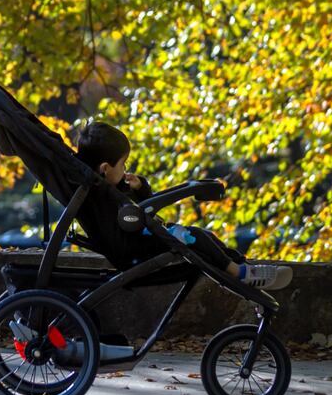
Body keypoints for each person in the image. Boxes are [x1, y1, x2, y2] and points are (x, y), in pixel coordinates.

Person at [75, 122, 292, 291]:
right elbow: (137, 214)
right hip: (132, 248)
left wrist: (140, 188)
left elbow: (141, 207)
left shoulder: (103, 188)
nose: (125, 170)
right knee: (194, 236)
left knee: (202, 236)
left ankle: (243, 266)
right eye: (123, 164)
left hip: (135, 240)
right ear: (105, 168)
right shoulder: (102, 195)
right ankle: (238, 272)